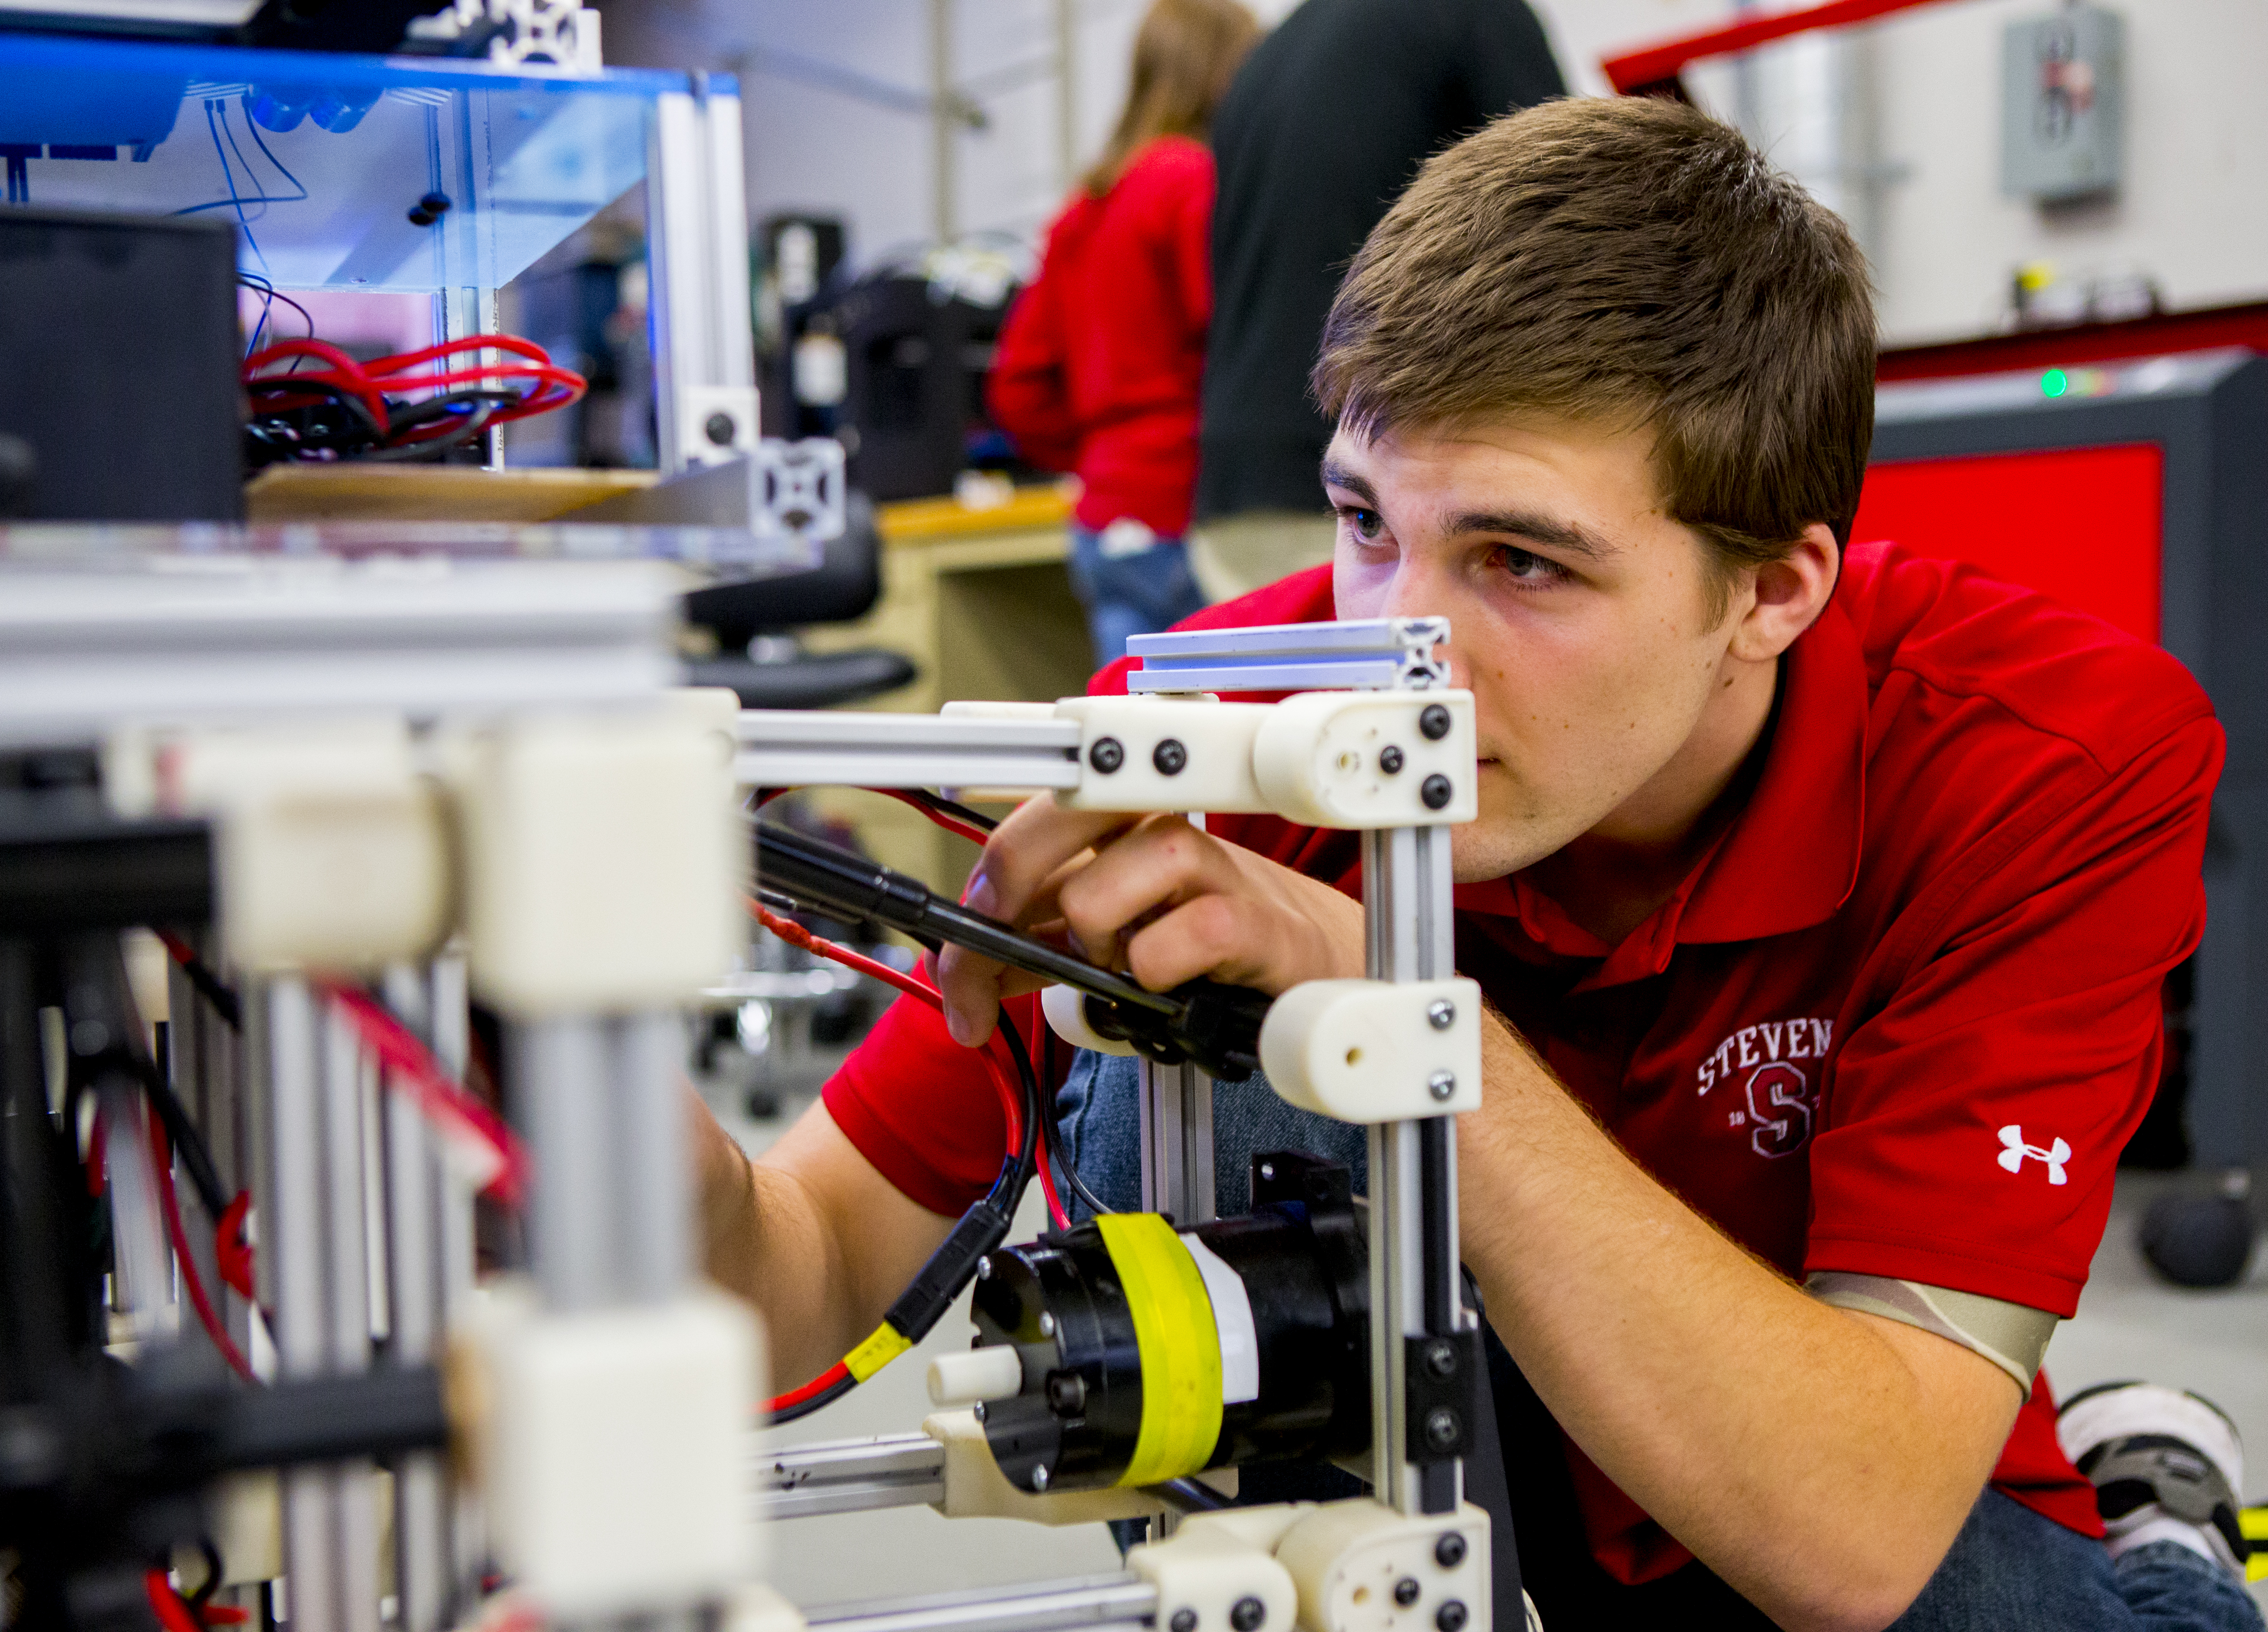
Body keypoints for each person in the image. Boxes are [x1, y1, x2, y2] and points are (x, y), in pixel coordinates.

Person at [698, 97, 2260, 1631]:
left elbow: (1846, 1541)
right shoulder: (1218, 727)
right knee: (1190, 1038)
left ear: (1772, 591)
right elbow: (814, 1257)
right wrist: (580, 1087)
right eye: (1364, 521)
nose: (1392, 653)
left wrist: (1393, 1007)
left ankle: (2155, 1514)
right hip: (1451, 1511)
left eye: (1519, 560)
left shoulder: (2048, 755)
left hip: (1835, 1482)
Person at [1190, 0, 1566, 604]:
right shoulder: (1476, 16)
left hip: (1237, 484)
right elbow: (1570, 220)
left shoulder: (1262, 61)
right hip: (1370, 493)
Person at [986, 0, 1258, 666]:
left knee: (1135, 744)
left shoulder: (1084, 204)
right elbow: (1234, 341)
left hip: (1106, 517)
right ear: (1227, 73)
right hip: (1183, 502)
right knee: (1220, 747)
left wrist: (1103, 456)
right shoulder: (1192, 179)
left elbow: (1018, 386)